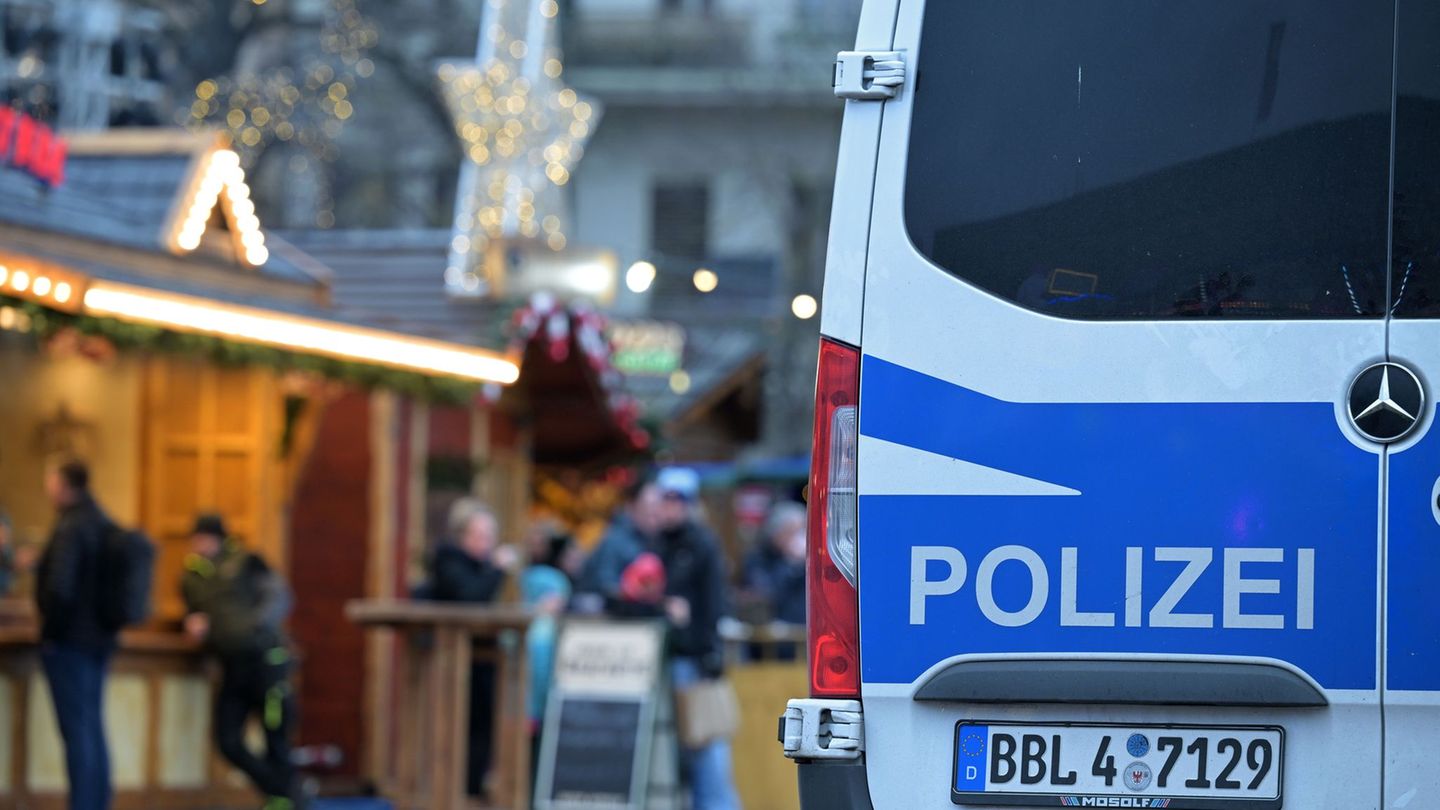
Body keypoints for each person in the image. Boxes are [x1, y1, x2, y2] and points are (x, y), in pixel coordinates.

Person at [180, 514, 301, 810]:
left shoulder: (246, 561)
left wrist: (253, 628)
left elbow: (279, 597)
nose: (199, 544)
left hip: (266, 663)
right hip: (232, 667)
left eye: (204, 537)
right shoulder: (192, 577)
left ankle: (283, 801)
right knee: (228, 740)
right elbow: (194, 613)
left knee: (276, 737)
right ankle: (286, 792)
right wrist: (195, 625)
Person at [652, 467, 740, 810]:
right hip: (667, 657)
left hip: (695, 660)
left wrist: (711, 653)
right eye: (665, 498)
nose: (670, 506)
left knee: (706, 743)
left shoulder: (702, 544)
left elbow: (715, 601)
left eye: (677, 499)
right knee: (676, 749)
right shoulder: (657, 542)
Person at [35, 460, 116, 810]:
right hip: (99, 640)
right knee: (92, 728)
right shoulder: (101, 521)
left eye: (50, 480)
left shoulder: (71, 526)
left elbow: (61, 589)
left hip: (70, 642)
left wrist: (50, 634)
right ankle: (96, 803)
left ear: (64, 485)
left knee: (78, 733)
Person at [428, 500, 513, 797]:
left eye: (490, 536)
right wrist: (497, 571)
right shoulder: (449, 560)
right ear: (461, 535)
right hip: (451, 662)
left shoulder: (481, 566)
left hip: (482, 659)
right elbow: (469, 598)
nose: (486, 543)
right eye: (479, 536)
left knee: (482, 728)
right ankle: (452, 791)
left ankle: (472, 789)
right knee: (453, 729)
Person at [574, 481, 664, 605]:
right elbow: (605, 584)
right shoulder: (615, 539)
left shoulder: (655, 539)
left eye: (658, 510)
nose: (655, 515)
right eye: (649, 509)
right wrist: (634, 590)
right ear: (631, 506)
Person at [741, 502, 808, 626]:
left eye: (802, 531)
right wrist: (791, 566)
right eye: (792, 532)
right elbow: (767, 594)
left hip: (801, 632)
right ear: (777, 532)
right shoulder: (759, 557)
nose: (798, 539)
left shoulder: (807, 561)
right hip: (769, 637)